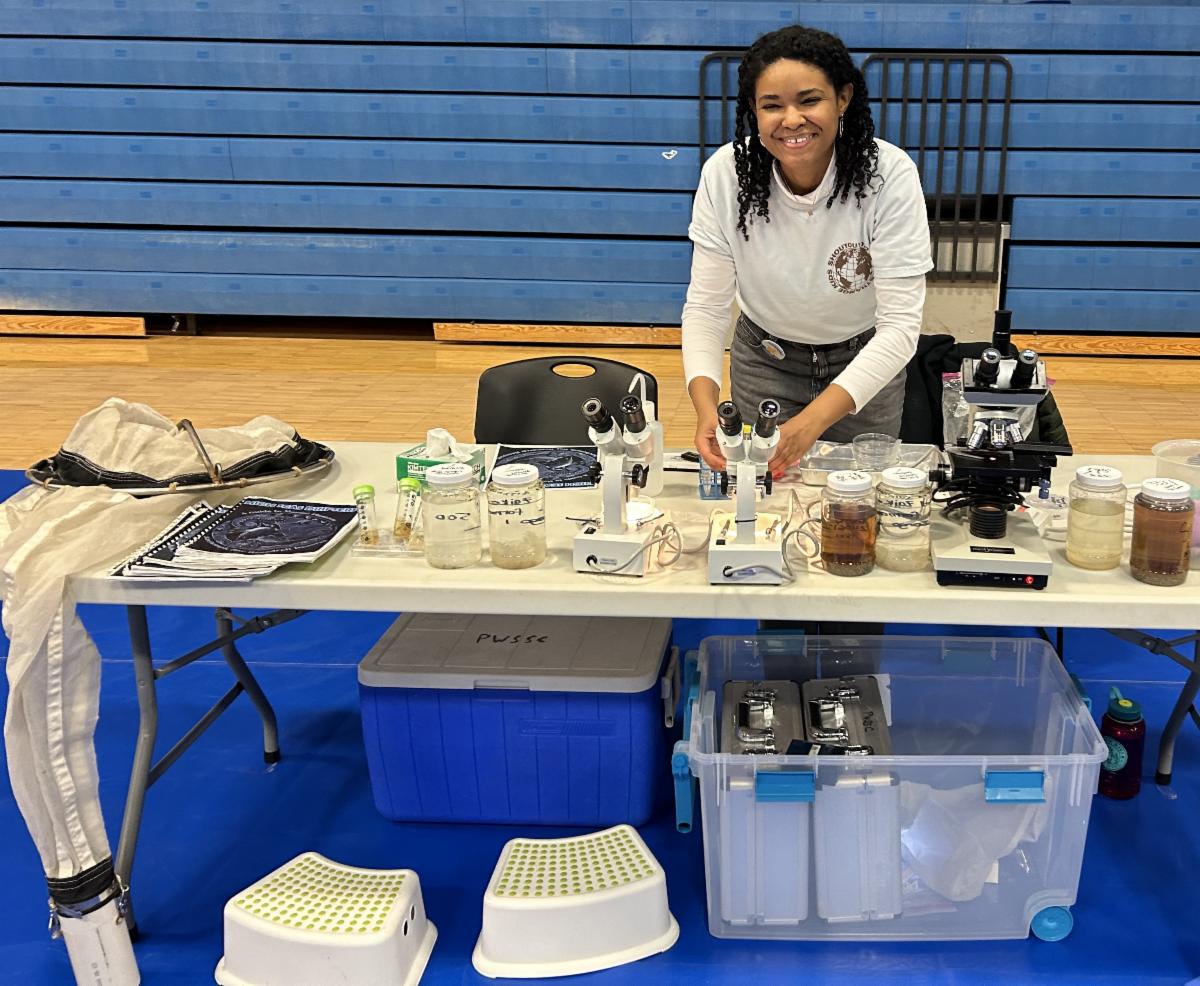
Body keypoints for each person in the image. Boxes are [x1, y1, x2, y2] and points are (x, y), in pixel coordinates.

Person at [682, 24, 933, 477]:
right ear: (753, 112)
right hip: (765, 361)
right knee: (761, 497)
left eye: (809, 100)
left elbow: (899, 328)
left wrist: (811, 424)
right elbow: (705, 307)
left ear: (843, 99)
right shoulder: (725, 175)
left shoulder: (889, 175)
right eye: (772, 105)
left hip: (865, 362)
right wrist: (704, 407)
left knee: (857, 505)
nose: (791, 119)